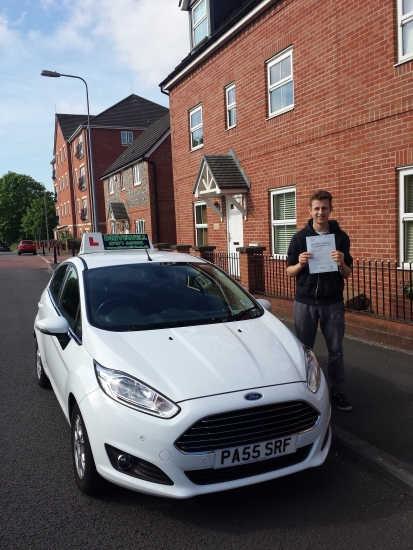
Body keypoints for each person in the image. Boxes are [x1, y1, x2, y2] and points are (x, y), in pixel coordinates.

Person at [286, 189, 353, 411]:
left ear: (330, 210)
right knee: (305, 350)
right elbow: (289, 272)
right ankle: (306, 392)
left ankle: (337, 391)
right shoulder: (300, 238)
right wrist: (300, 264)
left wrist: (341, 261)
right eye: (317, 208)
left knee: (335, 349)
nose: (320, 212)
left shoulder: (341, 238)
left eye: (325, 208)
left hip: (332, 301)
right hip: (305, 301)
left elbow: (346, 273)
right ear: (310, 210)